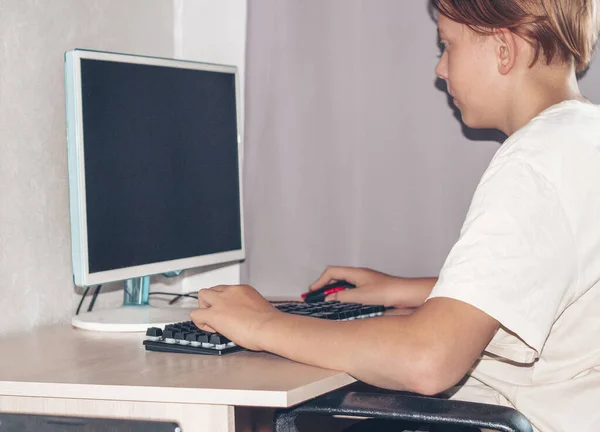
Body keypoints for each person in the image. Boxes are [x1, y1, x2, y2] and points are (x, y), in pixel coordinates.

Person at [190, 0, 600, 430]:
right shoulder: (581, 137)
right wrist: (405, 290)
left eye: (448, 45)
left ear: (503, 48)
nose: (440, 70)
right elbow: (546, 286)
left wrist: (262, 323)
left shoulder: (534, 163)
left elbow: (427, 361)